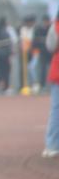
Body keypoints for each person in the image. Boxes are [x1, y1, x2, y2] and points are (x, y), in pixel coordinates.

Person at [42, 10, 58, 158]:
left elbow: (50, 46)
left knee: (56, 109)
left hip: (57, 71)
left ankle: (51, 145)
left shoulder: (55, 26)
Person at [0, 17, 14, 95]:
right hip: (4, 55)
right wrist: (10, 53)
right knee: (6, 71)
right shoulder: (5, 32)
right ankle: (5, 88)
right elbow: (8, 44)